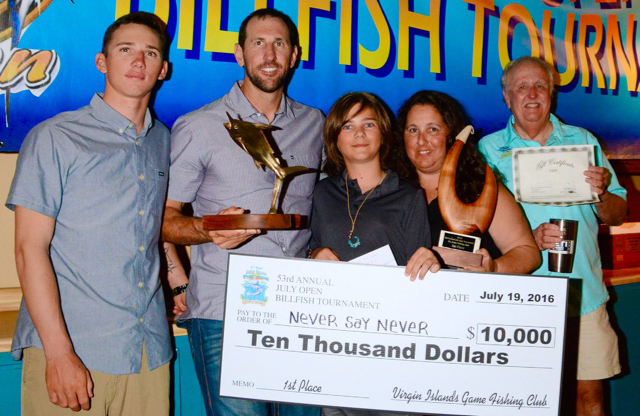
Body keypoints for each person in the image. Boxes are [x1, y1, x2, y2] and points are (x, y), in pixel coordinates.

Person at [6, 12, 172, 415]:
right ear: (102, 62)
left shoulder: (165, 141)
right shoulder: (55, 137)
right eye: (126, 50)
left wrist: (178, 279)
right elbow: (30, 249)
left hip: (148, 350)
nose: (139, 61)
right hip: (75, 348)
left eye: (151, 53)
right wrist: (59, 355)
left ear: (163, 69)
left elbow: (151, 227)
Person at [161, 8, 323, 416]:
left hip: (299, 310)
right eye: (258, 43)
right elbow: (163, 219)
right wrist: (206, 230)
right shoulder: (198, 125)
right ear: (239, 53)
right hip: (224, 312)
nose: (269, 54)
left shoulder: (316, 123)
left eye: (279, 43)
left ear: (294, 55)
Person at [477, 56, 627, 416]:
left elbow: (619, 215)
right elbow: (475, 227)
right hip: (518, 293)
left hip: (583, 292)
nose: (532, 94)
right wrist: (525, 237)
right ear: (506, 97)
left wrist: (604, 192)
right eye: (521, 87)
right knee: (521, 400)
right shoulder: (487, 150)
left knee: (589, 399)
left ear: (552, 94)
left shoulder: (583, 141)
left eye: (540, 86)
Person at [395, 90, 540, 274]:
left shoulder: (480, 189)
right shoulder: (388, 188)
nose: (421, 141)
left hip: (468, 298)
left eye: (433, 129)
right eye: (413, 130)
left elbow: (527, 253)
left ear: (451, 135)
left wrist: (494, 268)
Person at [310, 92, 440, 281]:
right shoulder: (322, 192)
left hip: (388, 304)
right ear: (334, 138)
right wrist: (315, 253)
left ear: (383, 133)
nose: (359, 133)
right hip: (333, 304)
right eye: (348, 126)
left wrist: (427, 262)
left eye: (369, 124)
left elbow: (418, 267)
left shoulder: (409, 196)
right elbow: (311, 246)